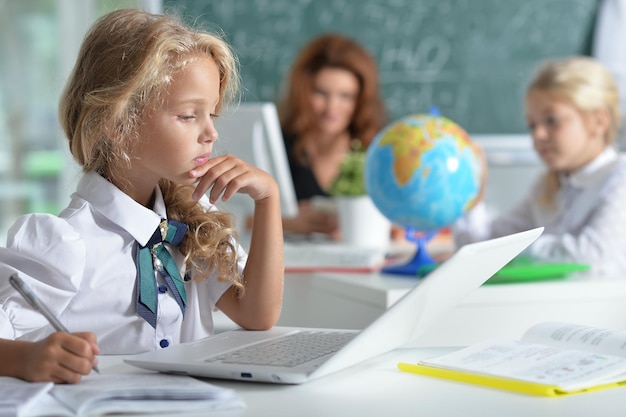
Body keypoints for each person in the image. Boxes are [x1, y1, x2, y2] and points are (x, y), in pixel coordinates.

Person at [0, 9, 283, 383]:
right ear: (117, 122)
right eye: (188, 115)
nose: (211, 133)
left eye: (212, 113)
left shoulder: (192, 220)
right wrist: (26, 358)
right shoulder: (65, 243)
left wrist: (268, 200)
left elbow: (257, 314)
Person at [453, 56, 626, 275]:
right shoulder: (547, 189)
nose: (538, 134)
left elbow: (593, 258)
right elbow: (480, 246)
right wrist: (473, 196)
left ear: (599, 121)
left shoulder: (620, 178)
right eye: (531, 125)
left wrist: (519, 248)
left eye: (551, 120)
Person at [277, 33, 389, 237]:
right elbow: (234, 214)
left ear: (361, 100)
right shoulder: (276, 144)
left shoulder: (376, 150)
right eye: (321, 93)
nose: (332, 107)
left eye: (345, 96)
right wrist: (287, 222)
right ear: (303, 92)